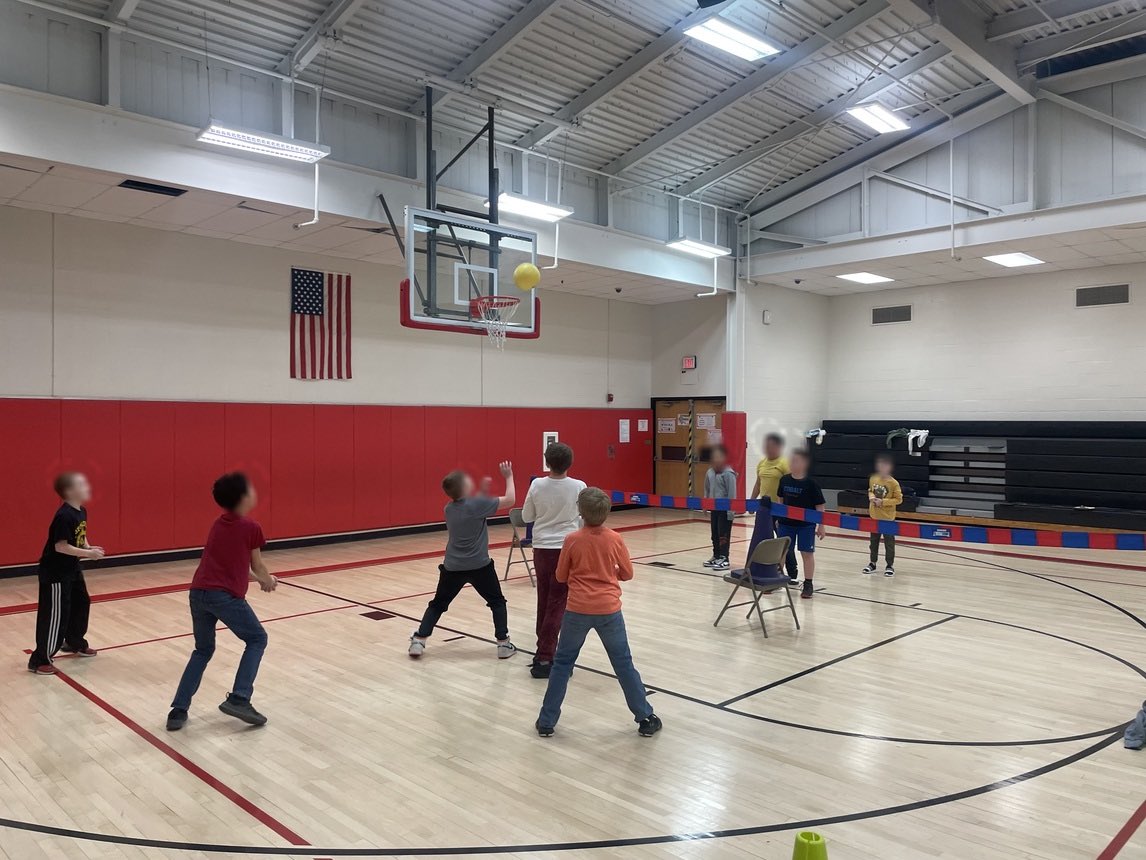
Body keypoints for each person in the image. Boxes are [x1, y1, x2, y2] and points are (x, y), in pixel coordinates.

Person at [535, 488, 661, 739]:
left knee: (562, 664)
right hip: (609, 610)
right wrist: (609, 571)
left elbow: (560, 576)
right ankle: (645, 717)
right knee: (623, 664)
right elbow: (627, 574)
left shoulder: (571, 539)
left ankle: (547, 721)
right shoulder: (615, 538)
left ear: (580, 512)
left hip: (577, 610)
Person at [167, 472, 277, 731]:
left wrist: (259, 579)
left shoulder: (219, 524)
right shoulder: (251, 527)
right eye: (250, 489)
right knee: (257, 639)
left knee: (203, 650)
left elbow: (234, 564)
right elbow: (258, 565)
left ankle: (178, 710)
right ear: (242, 498)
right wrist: (268, 579)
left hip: (199, 594)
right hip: (224, 597)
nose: (254, 493)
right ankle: (240, 698)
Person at [409, 462, 517, 659]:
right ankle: (503, 643)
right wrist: (508, 476)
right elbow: (510, 500)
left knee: (438, 604)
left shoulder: (449, 508)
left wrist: (484, 491)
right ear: (466, 487)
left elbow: (475, 507)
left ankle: (419, 640)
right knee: (497, 602)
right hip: (479, 566)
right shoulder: (477, 505)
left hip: (453, 566)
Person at [28, 473, 105, 675]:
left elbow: (80, 535)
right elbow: (61, 546)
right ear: (70, 492)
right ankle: (40, 659)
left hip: (72, 568)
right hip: (55, 573)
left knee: (81, 602)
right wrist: (89, 554)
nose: (87, 486)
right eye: (82, 484)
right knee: (55, 615)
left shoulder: (81, 512)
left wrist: (89, 546)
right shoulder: (64, 516)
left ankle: (74, 641)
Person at [521, 443, 586, 679]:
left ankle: (543, 652)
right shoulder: (579, 486)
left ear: (547, 462)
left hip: (541, 548)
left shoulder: (537, 484)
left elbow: (527, 516)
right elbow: (583, 519)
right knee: (558, 603)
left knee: (545, 599)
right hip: (566, 548)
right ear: (570, 463)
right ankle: (547, 655)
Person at [775, 449, 826, 599]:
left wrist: (821, 525)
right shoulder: (784, 480)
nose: (792, 463)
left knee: (807, 554)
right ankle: (776, 579)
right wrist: (780, 517)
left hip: (806, 525)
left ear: (804, 464)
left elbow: (820, 506)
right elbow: (780, 500)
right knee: (782, 552)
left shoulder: (811, 484)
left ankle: (808, 583)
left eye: (796, 460)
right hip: (786, 524)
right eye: (791, 460)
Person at [751, 433, 797, 580]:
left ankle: (792, 573)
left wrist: (786, 508)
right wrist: (752, 502)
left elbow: (790, 486)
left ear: (778, 447)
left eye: (771, 446)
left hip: (780, 510)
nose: (768, 449)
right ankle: (768, 572)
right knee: (765, 541)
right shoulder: (761, 463)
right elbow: (758, 484)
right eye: (766, 446)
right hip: (764, 510)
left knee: (783, 542)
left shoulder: (784, 464)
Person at [863, 452, 903, 577]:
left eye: (884, 466)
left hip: (888, 518)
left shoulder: (893, 483)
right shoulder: (873, 478)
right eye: (880, 465)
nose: (882, 468)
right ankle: (872, 562)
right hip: (874, 516)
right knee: (873, 542)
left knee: (889, 543)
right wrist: (871, 497)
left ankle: (889, 565)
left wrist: (883, 502)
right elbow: (870, 490)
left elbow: (899, 499)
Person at [703, 444, 737, 571]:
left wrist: (730, 511)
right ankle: (716, 555)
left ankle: (724, 558)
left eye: (719, 456)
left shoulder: (728, 473)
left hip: (725, 510)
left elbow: (732, 494)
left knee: (723, 534)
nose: (716, 459)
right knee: (715, 534)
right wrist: (706, 505)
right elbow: (706, 489)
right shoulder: (710, 472)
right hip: (714, 509)